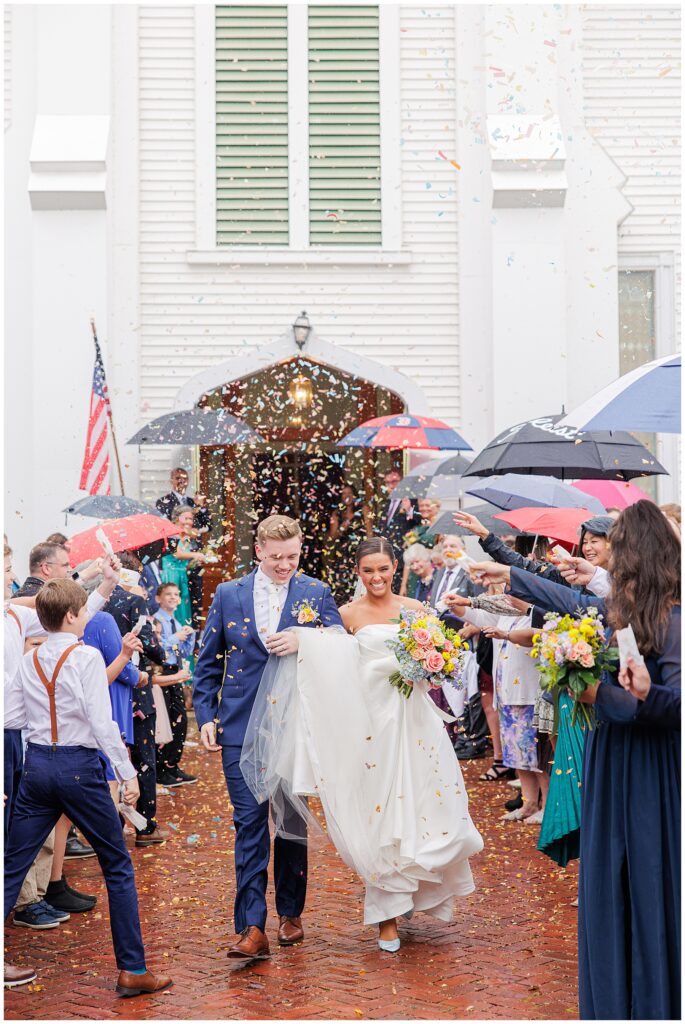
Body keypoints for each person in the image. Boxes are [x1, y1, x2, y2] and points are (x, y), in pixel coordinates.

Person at [472, 501, 680, 1021]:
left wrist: (609, 696)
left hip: (651, 770)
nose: (607, 557)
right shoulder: (626, 610)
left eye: (618, 548)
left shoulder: (673, 618)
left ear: (638, 556)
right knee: (612, 879)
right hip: (613, 759)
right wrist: (511, 573)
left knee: (648, 882)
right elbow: (568, 600)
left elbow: (671, 701)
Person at [241, 536, 484, 954]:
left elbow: (441, 664)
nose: (376, 577)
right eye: (368, 570)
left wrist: (428, 669)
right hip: (371, 728)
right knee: (380, 817)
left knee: (426, 809)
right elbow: (334, 664)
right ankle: (386, 916)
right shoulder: (348, 615)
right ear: (358, 572)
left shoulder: (415, 611)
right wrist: (304, 640)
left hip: (415, 725)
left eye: (383, 569)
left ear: (394, 569)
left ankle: (414, 891)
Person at [4, 579, 172, 996]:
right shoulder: (87, 657)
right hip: (79, 768)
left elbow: (9, 714)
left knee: (11, 865)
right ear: (70, 617)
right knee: (117, 865)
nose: (86, 617)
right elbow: (100, 721)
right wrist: (127, 771)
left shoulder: (30, 660)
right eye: (83, 612)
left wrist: (45, 721)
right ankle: (133, 969)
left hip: (38, 766)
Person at [192, 514, 342, 960]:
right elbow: (207, 661)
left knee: (291, 824)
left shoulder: (315, 592)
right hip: (238, 726)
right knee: (249, 825)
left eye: (292, 557)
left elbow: (340, 644)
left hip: (295, 726)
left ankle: (291, 913)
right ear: (258, 551)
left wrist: (305, 641)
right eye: (276, 557)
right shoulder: (228, 593)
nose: (284, 565)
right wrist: (205, 715)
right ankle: (251, 927)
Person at [154, 583, 196, 788]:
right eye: (168, 594)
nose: (173, 597)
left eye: (176, 595)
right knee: (166, 720)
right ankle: (161, 767)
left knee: (180, 721)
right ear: (158, 598)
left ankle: (172, 765)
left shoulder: (177, 622)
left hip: (176, 672)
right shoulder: (156, 620)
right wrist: (174, 638)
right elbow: (155, 648)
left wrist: (190, 635)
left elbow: (184, 651)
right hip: (162, 673)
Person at [160, 507, 209, 630]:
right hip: (171, 577)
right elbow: (176, 554)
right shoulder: (170, 533)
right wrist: (195, 555)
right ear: (177, 519)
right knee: (172, 607)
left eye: (190, 519)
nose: (188, 522)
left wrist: (193, 562)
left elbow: (183, 561)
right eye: (185, 518)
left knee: (183, 608)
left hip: (182, 577)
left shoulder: (187, 537)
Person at [323, 483, 372, 604]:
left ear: (355, 495)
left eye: (350, 493)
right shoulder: (337, 513)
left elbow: (370, 532)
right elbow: (332, 537)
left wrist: (371, 553)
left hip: (359, 554)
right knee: (342, 587)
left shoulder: (363, 509)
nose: (347, 496)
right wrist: (342, 528)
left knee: (358, 586)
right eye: (344, 493)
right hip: (342, 556)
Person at [375, 469, 420, 588]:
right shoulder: (385, 503)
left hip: (404, 558)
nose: (391, 485)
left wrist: (409, 510)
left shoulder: (412, 499)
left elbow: (421, 522)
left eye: (394, 481)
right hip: (386, 558)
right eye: (387, 482)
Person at [156, 467, 210, 535]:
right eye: (178, 478)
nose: (182, 481)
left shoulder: (193, 502)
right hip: (176, 543)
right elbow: (165, 524)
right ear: (171, 481)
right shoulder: (163, 502)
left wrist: (200, 507)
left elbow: (208, 525)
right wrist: (186, 531)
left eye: (185, 478)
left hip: (194, 544)